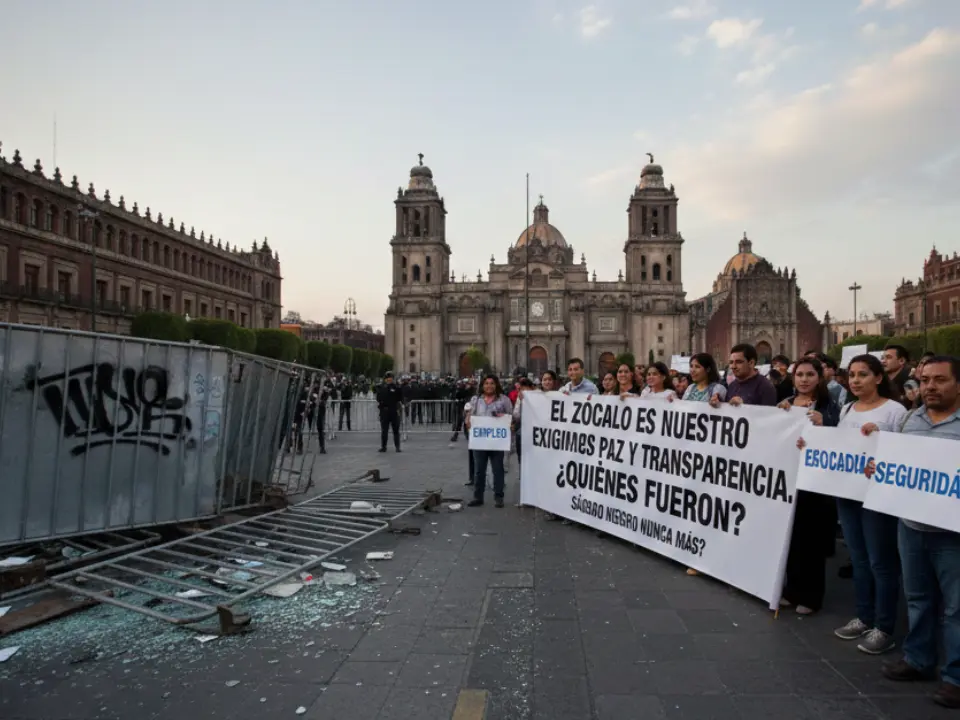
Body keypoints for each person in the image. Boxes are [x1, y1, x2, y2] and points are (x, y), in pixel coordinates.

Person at [872, 356, 960, 709]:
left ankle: (955, 676)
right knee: (918, 597)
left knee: (956, 608)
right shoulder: (911, 419)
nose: (929, 387)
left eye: (939, 380)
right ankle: (918, 658)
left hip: (952, 532)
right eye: (924, 381)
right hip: (911, 524)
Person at [834, 354, 906, 655]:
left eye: (863, 374)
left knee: (881, 561)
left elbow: (906, 450)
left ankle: (885, 626)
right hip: (849, 492)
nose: (855, 380)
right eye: (851, 375)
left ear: (878, 378)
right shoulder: (847, 408)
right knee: (860, 558)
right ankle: (864, 615)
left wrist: (880, 439)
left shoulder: (895, 411)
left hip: (878, 496)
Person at [779, 357, 840, 615]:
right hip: (790, 480)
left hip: (816, 484)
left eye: (809, 375)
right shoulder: (785, 405)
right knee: (791, 538)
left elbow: (840, 439)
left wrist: (823, 423)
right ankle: (790, 590)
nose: (804, 379)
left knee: (811, 541)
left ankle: (811, 596)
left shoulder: (831, 407)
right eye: (799, 375)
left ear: (819, 377)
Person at [464, 374, 513, 508]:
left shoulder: (504, 400)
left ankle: (499, 496)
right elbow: (469, 417)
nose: (489, 386)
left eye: (491, 383)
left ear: (496, 385)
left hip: (497, 442)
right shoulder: (476, 400)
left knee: (498, 469)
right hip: (480, 441)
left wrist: (506, 420)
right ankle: (478, 497)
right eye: (486, 383)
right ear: (482, 385)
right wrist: (467, 421)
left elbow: (511, 417)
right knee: (479, 470)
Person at [376, 372, 403, 453]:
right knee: (384, 431)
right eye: (387, 378)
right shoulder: (381, 387)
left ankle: (397, 447)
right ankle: (383, 447)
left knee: (396, 430)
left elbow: (400, 398)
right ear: (385, 379)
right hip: (384, 411)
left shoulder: (396, 387)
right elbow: (378, 398)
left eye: (390, 378)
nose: (389, 379)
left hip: (394, 411)